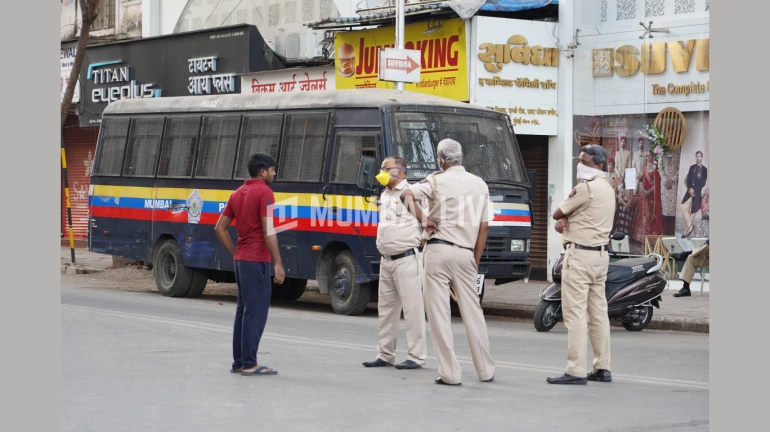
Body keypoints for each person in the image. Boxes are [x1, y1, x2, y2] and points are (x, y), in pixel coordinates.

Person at [400, 138, 495, 386]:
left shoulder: (435, 180)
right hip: (465, 253)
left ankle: (450, 373)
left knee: (439, 313)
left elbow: (406, 194)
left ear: (440, 160)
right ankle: (485, 370)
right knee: (473, 311)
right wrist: (474, 259)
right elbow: (484, 227)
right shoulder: (480, 184)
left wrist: (424, 219)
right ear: (461, 157)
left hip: (438, 251)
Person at [547, 144, 615, 385]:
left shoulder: (585, 188)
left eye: (586, 162)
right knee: (598, 314)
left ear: (600, 165)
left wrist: (563, 218)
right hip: (600, 257)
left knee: (575, 314)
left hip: (580, 257)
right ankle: (602, 367)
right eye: (580, 160)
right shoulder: (608, 188)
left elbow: (557, 213)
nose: (581, 165)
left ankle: (575, 369)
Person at [214, 153, 285, 376]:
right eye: (273, 170)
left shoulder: (238, 193)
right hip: (256, 260)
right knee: (255, 312)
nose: (274, 174)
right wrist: (278, 263)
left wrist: (236, 253)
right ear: (262, 171)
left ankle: (240, 362)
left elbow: (219, 228)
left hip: (242, 260)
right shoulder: (265, 192)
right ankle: (249, 364)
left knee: (243, 311)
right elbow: (268, 230)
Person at [362, 157, 428, 370]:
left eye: (386, 169)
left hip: (407, 258)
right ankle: (385, 354)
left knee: (412, 310)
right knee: (386, 310)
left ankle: (416, 356)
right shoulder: (384, 194)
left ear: (401, 171)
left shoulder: (413, 193)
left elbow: (426, 222)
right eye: (381, 168)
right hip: (387, 260)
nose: (382, 172)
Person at [632, 150, 664, 243]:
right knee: (640, 207)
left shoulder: (655, 168)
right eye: (648, 156)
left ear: (653, 157)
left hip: (652, 195)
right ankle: (640, 237)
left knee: (650, 214)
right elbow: (643, 180)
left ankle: (650, 237)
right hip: (645, 193)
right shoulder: (645, 168)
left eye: (650, 155)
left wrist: (649, 191)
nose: (648, 157)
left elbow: (657, 183)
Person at [680, 151, 708, 238]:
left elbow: (702, 183)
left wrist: (694, 190)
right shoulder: (692, 167)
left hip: (697, 192)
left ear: (702, 158)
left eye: (700, 156)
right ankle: (690, 226)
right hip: (689, 192)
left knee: (693, 212)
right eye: (697, 156)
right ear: (695, 157)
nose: (698, 158)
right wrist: (690, 189)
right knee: (683, 206)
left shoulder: (704, 170)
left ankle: (686, 231)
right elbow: (688, 179)